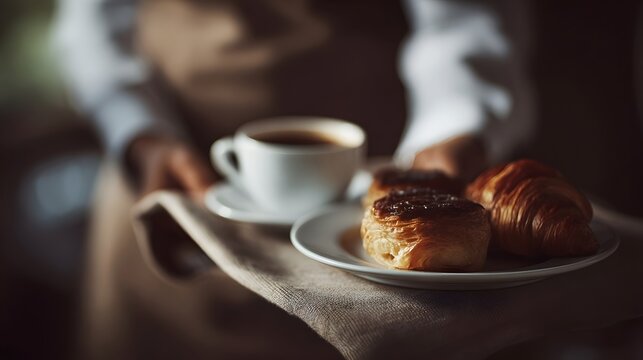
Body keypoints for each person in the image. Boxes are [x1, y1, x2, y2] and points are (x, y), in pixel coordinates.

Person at [52, 0, 533, 358]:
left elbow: (463, 24)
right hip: (161, 196)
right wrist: (139, 136)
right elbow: (89, 27)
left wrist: (453, 129)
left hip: (367, 245)